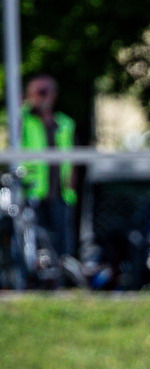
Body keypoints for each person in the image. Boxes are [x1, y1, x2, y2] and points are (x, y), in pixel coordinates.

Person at [20, 73, 79, 278]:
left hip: (60, 193)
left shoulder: (65, 123)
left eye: (44, 92)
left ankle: (60, 280)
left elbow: (73, 159)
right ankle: (34, 279)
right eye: (37, 92)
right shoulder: (23, 121)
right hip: (32, 191)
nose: (41, 97)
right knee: (34, 240)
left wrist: (71, 186)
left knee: (62, 241)